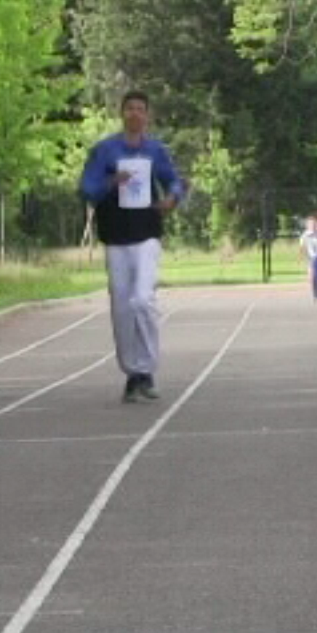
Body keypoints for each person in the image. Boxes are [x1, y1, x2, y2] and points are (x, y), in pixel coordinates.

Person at [78, 90, 184, 403]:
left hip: (147, 232)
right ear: (122, 114)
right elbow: (87, 189)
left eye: (141, 109)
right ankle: (133, 373)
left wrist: (172, 199)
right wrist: (111, 183)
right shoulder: (105, 151)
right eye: (130, 109)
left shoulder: (155, 151)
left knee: (142, 300)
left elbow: (173, 181)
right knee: (122, 306)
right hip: (115, 234)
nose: (135, 114)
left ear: (147, 116)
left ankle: (147, 368)